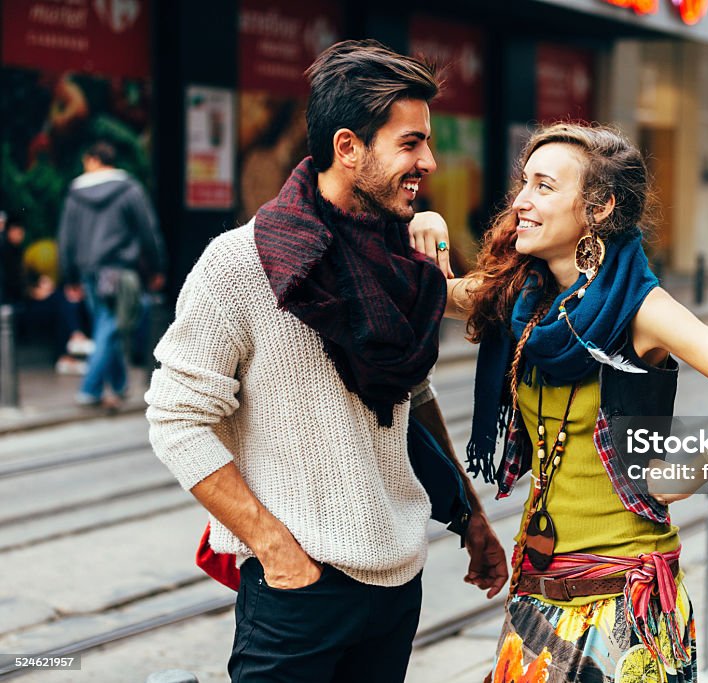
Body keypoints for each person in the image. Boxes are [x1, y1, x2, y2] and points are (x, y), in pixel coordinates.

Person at [145, 40, 506, 682]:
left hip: (398, 581)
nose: (429, 160)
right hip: (299, 591)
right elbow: (175, 419)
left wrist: (469, 513)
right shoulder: (241, 265)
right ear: (348, 147)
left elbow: (412, 399)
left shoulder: (401, 263)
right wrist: (274, 547)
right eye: (410, 143)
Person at [432, 123, 708, 682]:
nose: (522, 202)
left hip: (622, 600)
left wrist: (689, 472)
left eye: (545, 187)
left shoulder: (642, 308)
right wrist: (428, 226)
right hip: (538, 593)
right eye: (523, 183)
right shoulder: (522, 299)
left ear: (598, 208)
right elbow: (433, 286)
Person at [57, 140, 166, 408]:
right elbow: (147, 230)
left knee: (106, 325)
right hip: (119, 270)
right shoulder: (129, 189)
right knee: (111, 327)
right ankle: (98, 387)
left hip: (89, 272)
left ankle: (105, 386)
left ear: (93, 160)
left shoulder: (75, 193)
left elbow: (66, 238)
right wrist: (156, 267)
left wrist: (69, 276)